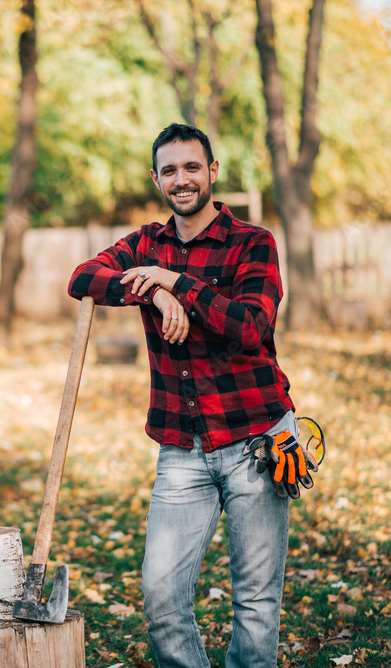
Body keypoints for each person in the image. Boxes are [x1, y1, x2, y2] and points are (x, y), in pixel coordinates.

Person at [68, 123, 298, 668]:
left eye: (192, 167)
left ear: (212, 172)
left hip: (259, 441)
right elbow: (83, 277)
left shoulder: (253, 242)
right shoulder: (146, 243)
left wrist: (176, 285)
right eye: (169, 170)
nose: (182, 179)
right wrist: (152, 288)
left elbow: (248, 325)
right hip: (182, 449)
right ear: (156, 178)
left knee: (256, 603)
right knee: (162, 597)